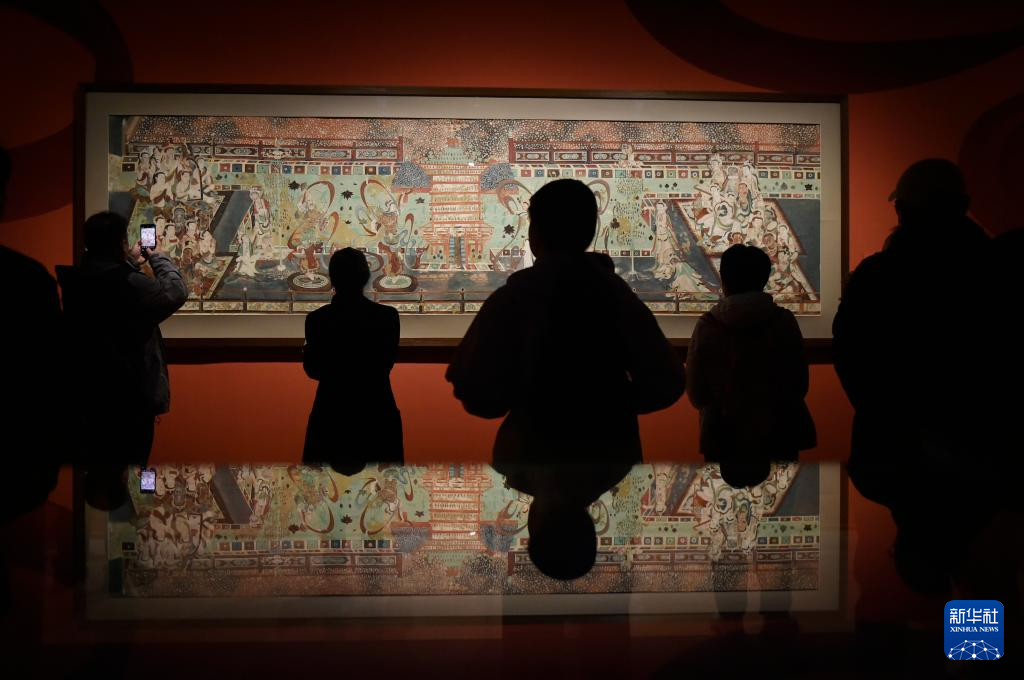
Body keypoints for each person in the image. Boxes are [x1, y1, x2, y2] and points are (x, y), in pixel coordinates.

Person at [446, 178, 685, 579]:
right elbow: (667, 381)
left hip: (531, 445)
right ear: (590, 230)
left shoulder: (515, 298)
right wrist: (613, 402)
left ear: (535, 234)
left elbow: (477, 395)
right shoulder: (612, 295)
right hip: (607, 444)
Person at [832, 158, 992, 592]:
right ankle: (975, 635)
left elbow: (850, 355)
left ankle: (938, 626)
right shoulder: (994, 272)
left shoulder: (878, 276)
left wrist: (883, 413)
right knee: (979, 563)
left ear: (902, 210)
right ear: (963, 205)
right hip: (978, 452)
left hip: (894, 450)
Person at [57, 212, 187, 494]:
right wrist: (156, 257)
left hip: (88, 393)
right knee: (137, 464)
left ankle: (99, 509)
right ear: (120, 242)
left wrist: (128, 262)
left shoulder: (77, 280)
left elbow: (108, 285)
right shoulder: (129, 282)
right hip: (131, 397)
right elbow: (176, 292)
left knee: (95, 466)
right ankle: (137, 504)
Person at [687, 244, 815, 488]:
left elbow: (697, 393)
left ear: (724, 279)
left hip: (724, 434)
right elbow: (799, 385)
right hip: (780, 432)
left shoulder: (708, 326)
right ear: (764, 278)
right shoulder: (783, 322)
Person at [302, 247, 403, 474]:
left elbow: (313, 369)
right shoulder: (387, 317)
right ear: (365, 277)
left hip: (331, 413)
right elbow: (385, 363)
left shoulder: (317, 320)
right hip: (377, 411)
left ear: (332, 279)